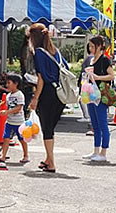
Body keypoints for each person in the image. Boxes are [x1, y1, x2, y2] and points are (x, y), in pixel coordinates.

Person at [28, 23, 68, 173]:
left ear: (34, 37)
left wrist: (35, 98)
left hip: (47, 94)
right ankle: (47, 159)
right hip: (60, 94)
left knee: (47, 129)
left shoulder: (38, 53)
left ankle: (51, 163)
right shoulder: (56, 51)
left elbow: (41, 79)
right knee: (50, 128)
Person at [82, 36, 115, 162]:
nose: (90, 49)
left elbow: (112, 76)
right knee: (95, 124)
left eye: (92, 46)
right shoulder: (91, 60)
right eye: (89, 46)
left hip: (101, 94)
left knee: (102, 124)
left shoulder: (105, 59)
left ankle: (103, 152)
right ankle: (96, 151)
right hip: (91, 94)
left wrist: (97, 77)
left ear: (99, 46)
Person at [0, 74, 29, 164]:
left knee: (22, 139)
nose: (7, 85)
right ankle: (3, 156)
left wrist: (6, 112)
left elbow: (18, 108)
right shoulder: (9, 95)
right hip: (9, 121)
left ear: (16, 83)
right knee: (6, 138)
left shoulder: (19, 94)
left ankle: (26, 155)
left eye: (9, 83)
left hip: (19, 122)